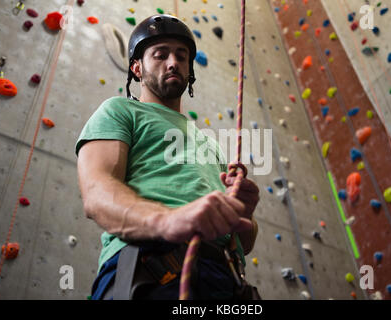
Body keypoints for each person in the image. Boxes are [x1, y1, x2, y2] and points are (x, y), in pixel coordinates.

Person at [75, 14, 260, 300]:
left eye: (182, 56)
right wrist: (168, 221)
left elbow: (244, 244)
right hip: (149, 268)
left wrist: (243, 212)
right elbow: (97, 193)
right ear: (137, 68)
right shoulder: (120, 112)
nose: (173, 62)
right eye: (160, 55)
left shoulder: (211, 145)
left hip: (226, 280)